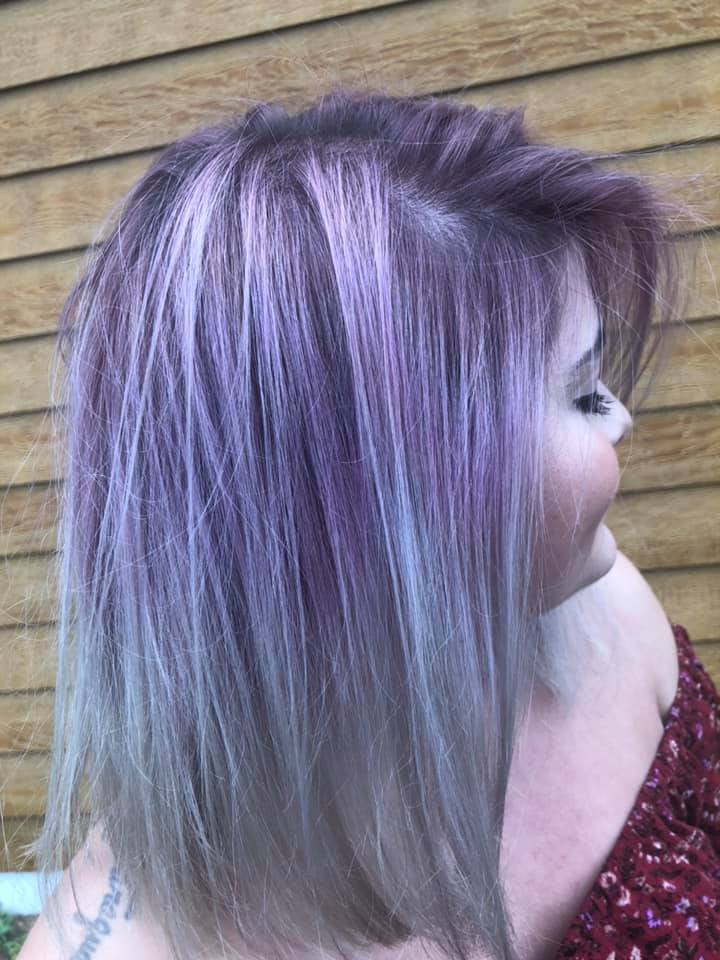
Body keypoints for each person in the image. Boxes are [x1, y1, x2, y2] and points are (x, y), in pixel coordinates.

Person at [17, 86, 712, 960]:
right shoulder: (125, 942)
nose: (622, 418)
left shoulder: (607, 619)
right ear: (393, 508)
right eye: (580, 391)